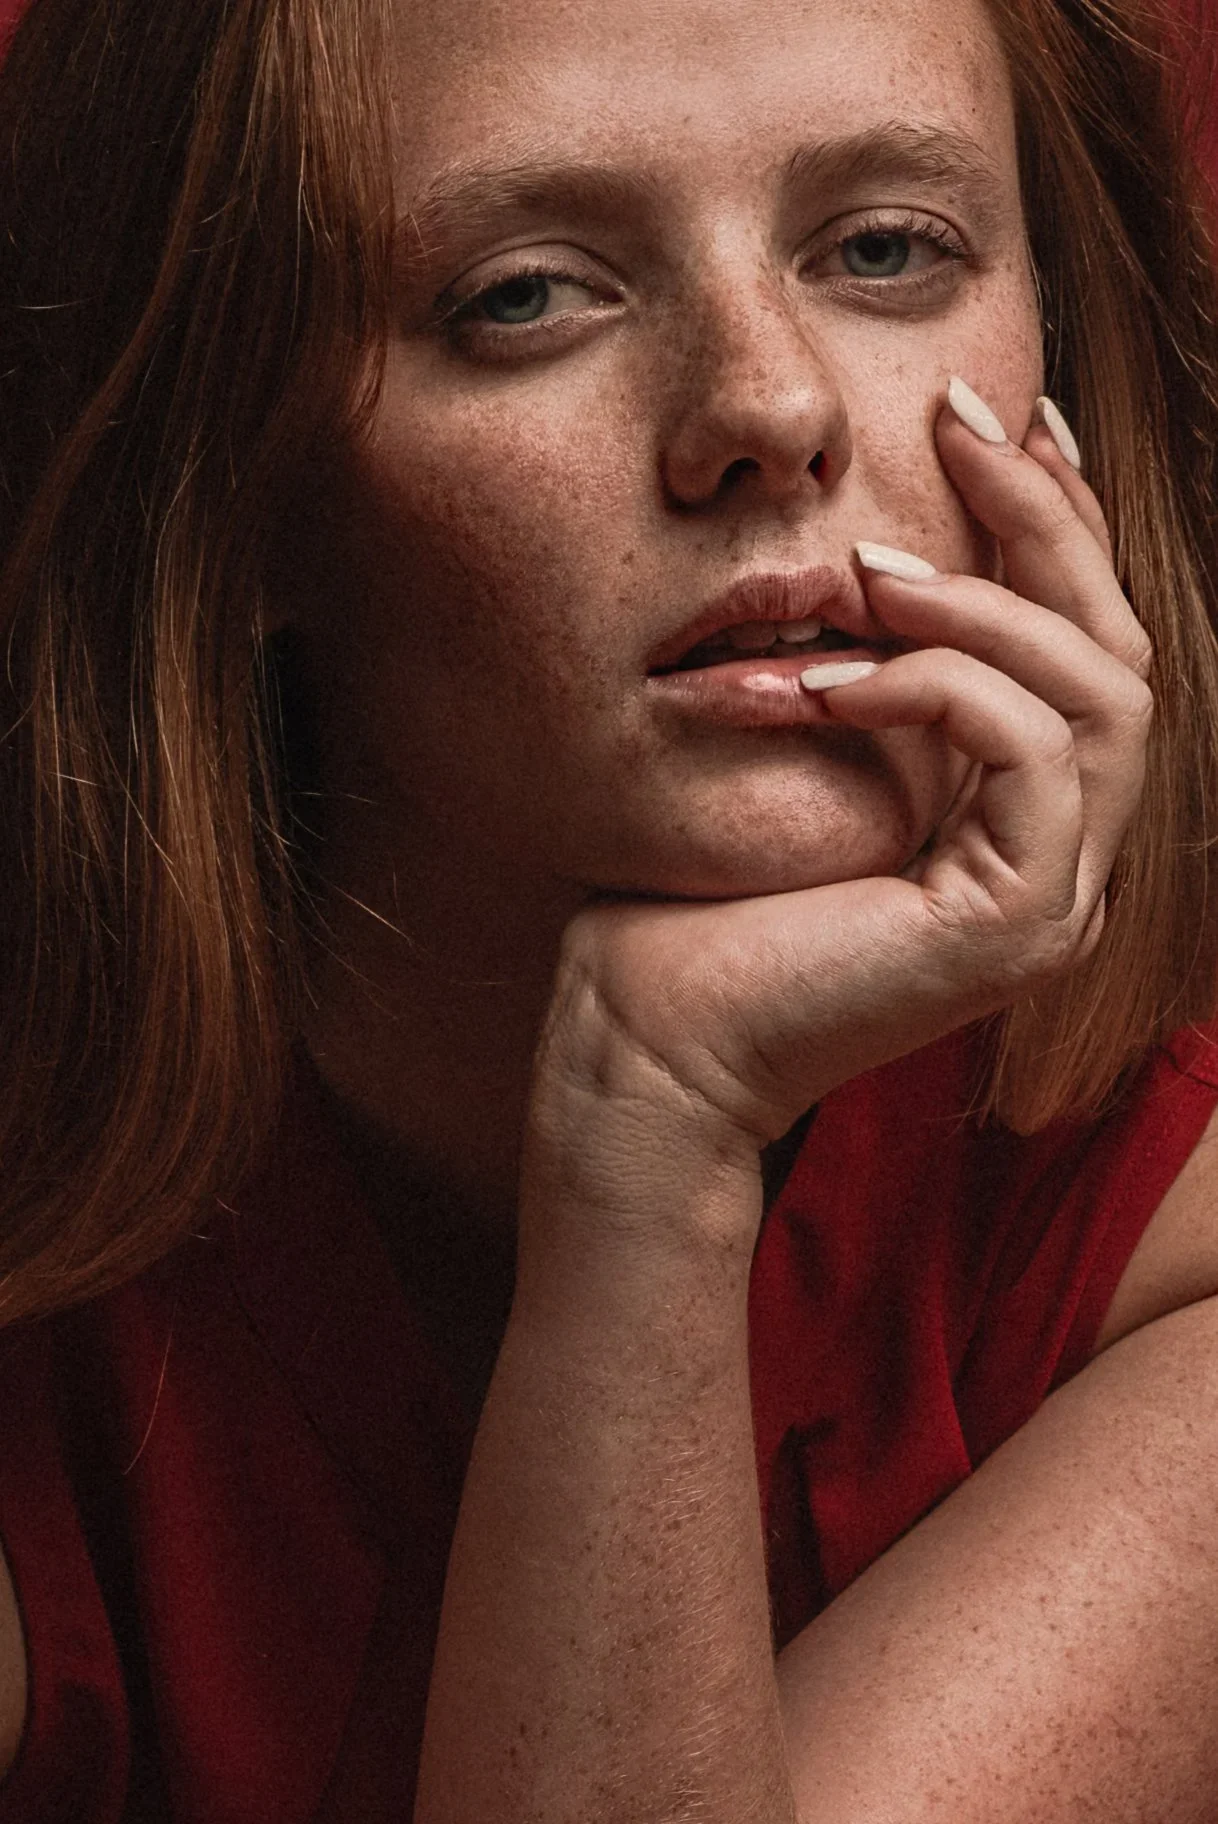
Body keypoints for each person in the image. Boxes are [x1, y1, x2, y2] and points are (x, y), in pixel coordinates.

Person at [1, 0, 1218, 1815]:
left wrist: (647, 1123)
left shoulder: (1158, 1262)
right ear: (230, 490)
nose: (768, 410)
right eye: (527, 294)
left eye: (885, 249)